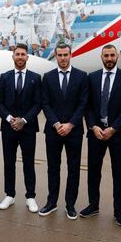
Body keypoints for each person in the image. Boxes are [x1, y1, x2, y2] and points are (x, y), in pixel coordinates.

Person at [82, 44, 121, 226]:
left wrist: (114, 128)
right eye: (106, 56)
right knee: (93, 172)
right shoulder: (92, 78)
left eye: (112, 55)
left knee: (118, 173)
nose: (109, 58)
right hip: (96, 133)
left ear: (117, 56)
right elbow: (87, 106)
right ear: (101, 57)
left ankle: (118, 210)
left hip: (116, 134)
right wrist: (92, 126)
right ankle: (93, 204)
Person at [39, 43, 88, 220]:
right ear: (56, 56)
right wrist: (56, 123)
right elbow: (45, 103)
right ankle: (51, 202)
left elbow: (83, 104)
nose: (63, 58)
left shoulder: (82, 77)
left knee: (73, 168)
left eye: (65, 55)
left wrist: (71, 124)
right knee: (53, 168)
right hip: (53, 131)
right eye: (59, 55)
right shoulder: (48, 77)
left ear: (70, 55)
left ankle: (70, 204)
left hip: (74, 131)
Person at [0, 43, 42, 212]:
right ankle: (10, 195)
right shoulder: (4, 77)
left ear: (27, 57)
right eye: (17, 54)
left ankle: (30, 196)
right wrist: (9, 118)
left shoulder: (35, 78)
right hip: (8, 128)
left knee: (28, 163)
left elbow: (38, 104)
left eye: (23, 54)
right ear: (13, 56)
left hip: (28, 129)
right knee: (9, 162)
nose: (20, 57)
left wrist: (24, 120)